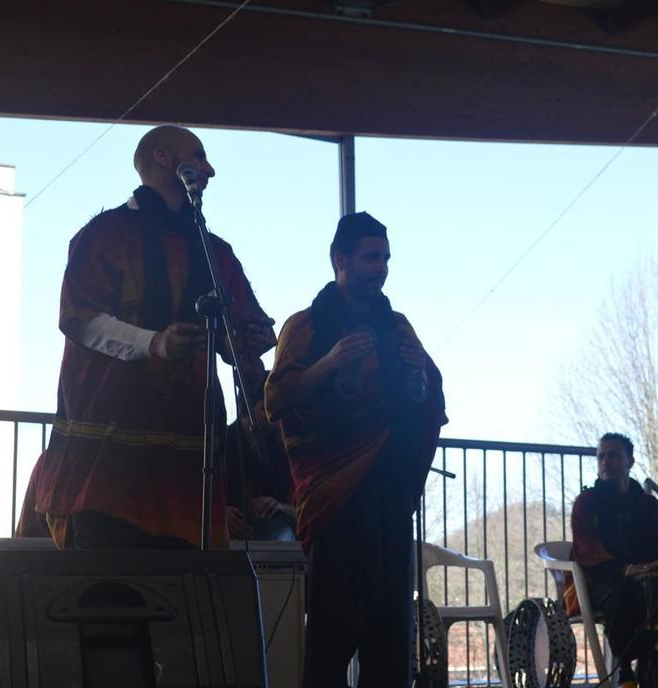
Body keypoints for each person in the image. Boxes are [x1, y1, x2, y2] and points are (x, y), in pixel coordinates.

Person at [32, 125, 276, 549]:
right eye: (198, 156)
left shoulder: (214, 250)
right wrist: (155, 343)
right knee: (110, 578)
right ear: (163, 158)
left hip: (190, 456)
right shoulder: (104, 234)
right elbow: (80, 319)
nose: (210, 170)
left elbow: (242, 336)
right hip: (110, 455)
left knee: (185, 583)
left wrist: (248, 338)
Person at [265, 212, 446, 688]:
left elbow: (426, 398)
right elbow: (276, 399)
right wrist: (329, 363)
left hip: (388, 493)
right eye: (370, 258)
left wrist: (418, 378)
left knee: (389, 634)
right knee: (331, 630)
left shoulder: (398, 326)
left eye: (385, 259)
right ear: (339, 260)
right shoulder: (305, 325)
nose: (380, 269)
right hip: (334, 498)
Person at [565, 433, 658, 688]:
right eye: (601, 457)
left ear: (630, 462)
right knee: (623, 592)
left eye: (613, 455)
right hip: (600, 582)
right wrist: (629, 569)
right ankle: (625, 670)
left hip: (646, 580)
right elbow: (586, 551)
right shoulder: (586, 504)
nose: (605, 462)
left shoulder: (649, 505)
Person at [224, 372, 297, 541]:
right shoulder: (221, 444)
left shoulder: (285, 448)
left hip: (274, 533)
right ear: (259, 407)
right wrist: (220, 515)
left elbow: (305, 509)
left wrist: (280, 507)